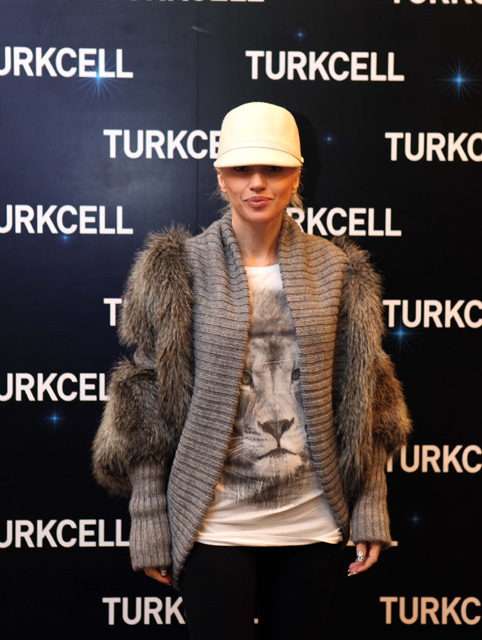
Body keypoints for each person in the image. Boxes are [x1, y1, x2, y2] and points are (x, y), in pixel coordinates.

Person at [92, 102, 411, 639]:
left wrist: (371, 505)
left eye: (274, 169)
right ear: (221, 176)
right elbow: (144, 402)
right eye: (242, 169)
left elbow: (368, 395)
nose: (257, 183)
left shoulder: (339, 270)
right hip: (213, 523)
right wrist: (147, 519)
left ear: (297, 176)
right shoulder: (177, 268)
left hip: (312, 521)